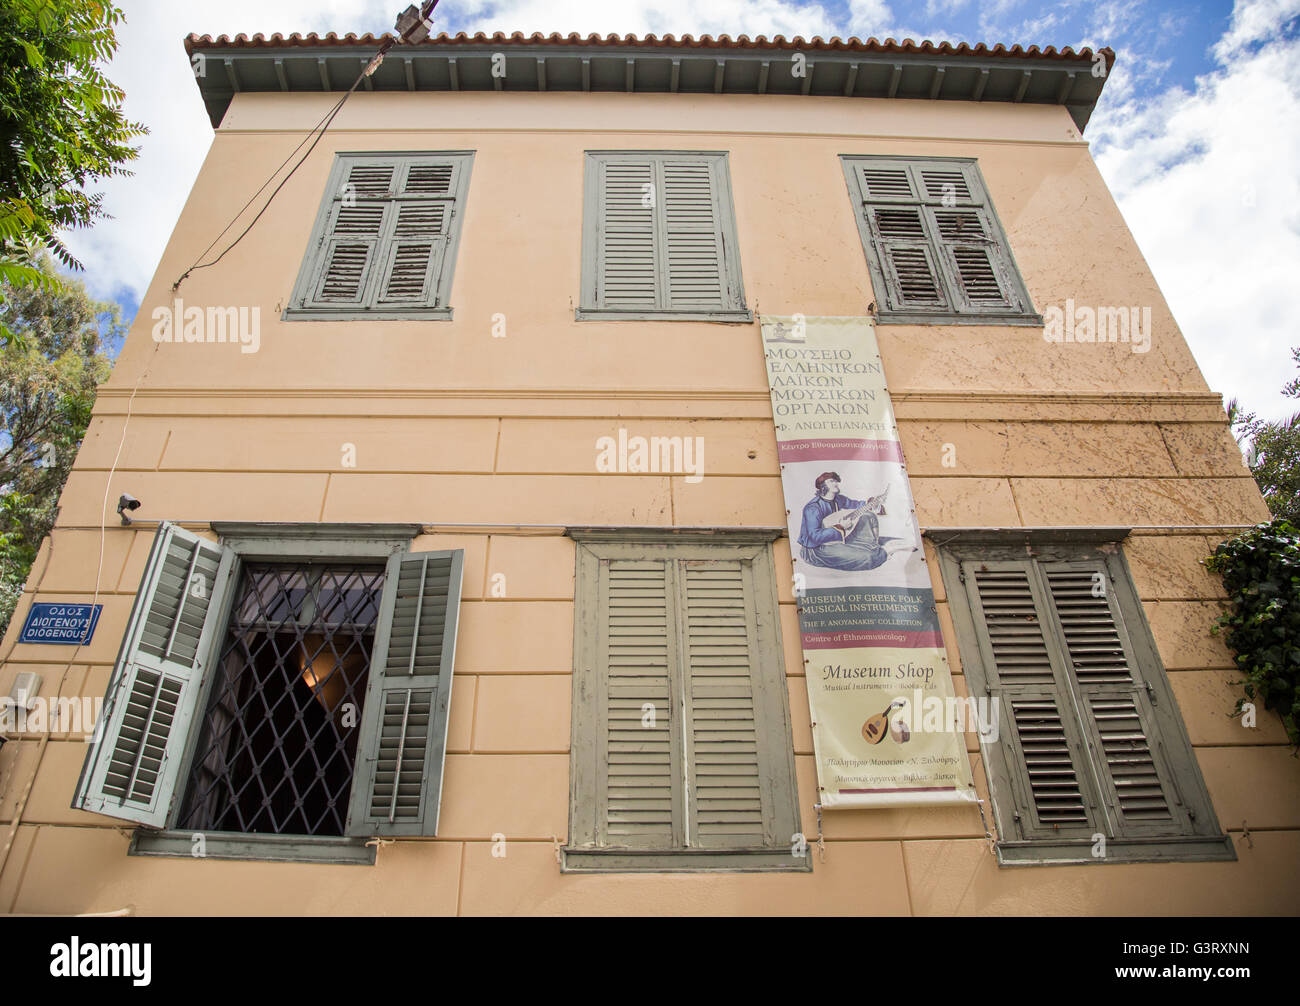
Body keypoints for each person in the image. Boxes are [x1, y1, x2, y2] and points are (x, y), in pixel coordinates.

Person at [798, 471, 889, 571]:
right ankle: (878, 554)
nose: (836, 483)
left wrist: (873, 503)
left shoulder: (838, 499)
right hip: (816, 550)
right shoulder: (813, 508)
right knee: (867, 557)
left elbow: (857, 505)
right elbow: (815, 536)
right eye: (831, 481)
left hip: (836, 540)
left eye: (836, 481)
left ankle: (872, 546)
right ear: (823, 486)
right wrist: (840, 527)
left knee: (868, 515)